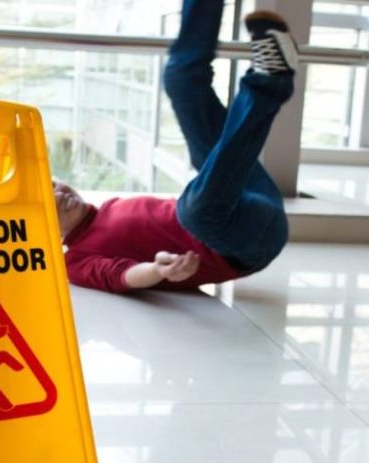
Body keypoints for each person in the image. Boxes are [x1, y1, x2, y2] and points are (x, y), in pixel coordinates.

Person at [55, 0, 298, 293]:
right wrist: (157, 270)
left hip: (251, 198)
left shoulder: (108, 208)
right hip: (244, 243)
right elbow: (121, 276)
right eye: (47, 201)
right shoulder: (76, 261)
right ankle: (268, 82)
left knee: (180, 80)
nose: (59, 194)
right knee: (195, 212)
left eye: (53, 184)